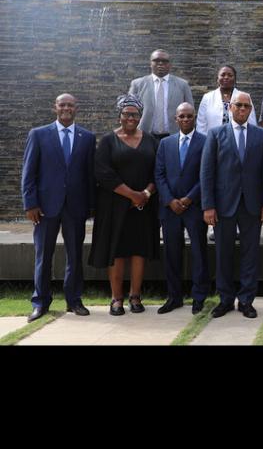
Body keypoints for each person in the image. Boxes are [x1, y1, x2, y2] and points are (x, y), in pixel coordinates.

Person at [21, 93, 95, 321]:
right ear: (55, 107)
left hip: (75, 207)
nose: (66, 108)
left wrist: (91, 207)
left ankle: (74, 300)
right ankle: (40, 302)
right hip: (44, 208)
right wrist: (30, 204)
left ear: (76, 108)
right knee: (43, 256)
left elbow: (90, 176)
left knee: (75, 256)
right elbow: (28, 172)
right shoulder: (38, 134)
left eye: (70, 105)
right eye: (62, 104)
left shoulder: (87, 137)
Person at [200, 91, 263, 319]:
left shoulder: (261, 135)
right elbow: (207, 171)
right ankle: (225, 299)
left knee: (251, 254)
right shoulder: (215, 134)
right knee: (223, 254)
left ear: (251, 110)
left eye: (246, 106)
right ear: (230, 107)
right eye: (238, 105)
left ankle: (246, 300)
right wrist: (208, 205)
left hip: (252, 205)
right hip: (224, 205)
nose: (242, 109)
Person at [91, 94, 161, 316]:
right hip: (114, 206)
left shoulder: (151, 141)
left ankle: (135, 296)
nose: (131, 118)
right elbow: (103, 173)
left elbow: (158, 171)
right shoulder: (108, 141)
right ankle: (116, 298)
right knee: (118, 251)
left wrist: (146, 193)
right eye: (127, 114)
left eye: (135, 114)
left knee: (139, 251)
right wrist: (132, 195)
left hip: (143, 206)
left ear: (140, 117)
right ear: (119, 115)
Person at [153, 102, 209, 314]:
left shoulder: (205, 142)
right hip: (170, 209)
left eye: (189, 116)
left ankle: (199, 297)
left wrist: (188, 199)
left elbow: (206, 174)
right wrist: (170, 200)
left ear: (194, 118)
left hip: (194, 207)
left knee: (199, 252)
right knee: (172, 253)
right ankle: (174, 297)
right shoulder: (165, 143)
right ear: (175, 119)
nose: (185, 119)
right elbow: (159, 174)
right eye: (182, 116)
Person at [126, 48, 194, 141]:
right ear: (150, 63)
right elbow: (129, 111)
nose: (160, 64)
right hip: (144, 136)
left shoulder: (182, 85)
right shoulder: (137, 84)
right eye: (156, 60)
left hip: (174, 136)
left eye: (164, 61)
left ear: (170, 64)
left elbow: (190, 111)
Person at [195, 64, 258, 137]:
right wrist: (205, 142)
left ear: (235, 79)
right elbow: (201, 125)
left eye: (230, 75)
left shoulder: (245, 97)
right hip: (213, 140)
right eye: (223, 75)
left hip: (239, 140)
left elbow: (252, 123)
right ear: (217, 79)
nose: (226, 77)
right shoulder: (207, 97)